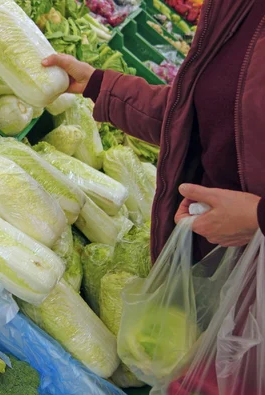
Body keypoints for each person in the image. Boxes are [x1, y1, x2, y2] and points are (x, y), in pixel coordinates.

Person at [43, 0, 265, 261]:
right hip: (208, 249)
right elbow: (201, 116)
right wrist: (100, 85)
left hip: (248, 267)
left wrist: (256, 218)